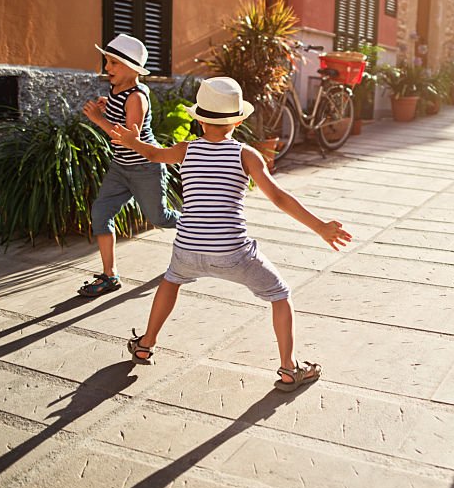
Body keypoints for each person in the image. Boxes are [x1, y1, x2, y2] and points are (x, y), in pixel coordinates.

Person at [110, 77, 352, 391]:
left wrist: (133, 143)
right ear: (238, 120)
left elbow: (156, 155)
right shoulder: (246, 155)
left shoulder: (186, 149)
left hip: (188, 247)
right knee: (280, 296)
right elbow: (278, 197)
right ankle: (290, 369)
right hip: (232, 252)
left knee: (171, 281)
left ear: (198, 118)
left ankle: (145, 344)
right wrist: (319, 227)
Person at [78, 33, 181, 297]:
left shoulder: (137, 98)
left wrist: (99, 119)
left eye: (113, 63)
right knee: (101, 212)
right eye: (107, 61)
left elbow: (129, 137)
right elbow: (118, 116)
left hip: (145, 167)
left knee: (160, 217)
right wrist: (107, 106)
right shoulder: (117, 91)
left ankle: (200, 226)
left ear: (132, 69)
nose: (107, 68)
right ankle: (109, 276)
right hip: (120, 167)